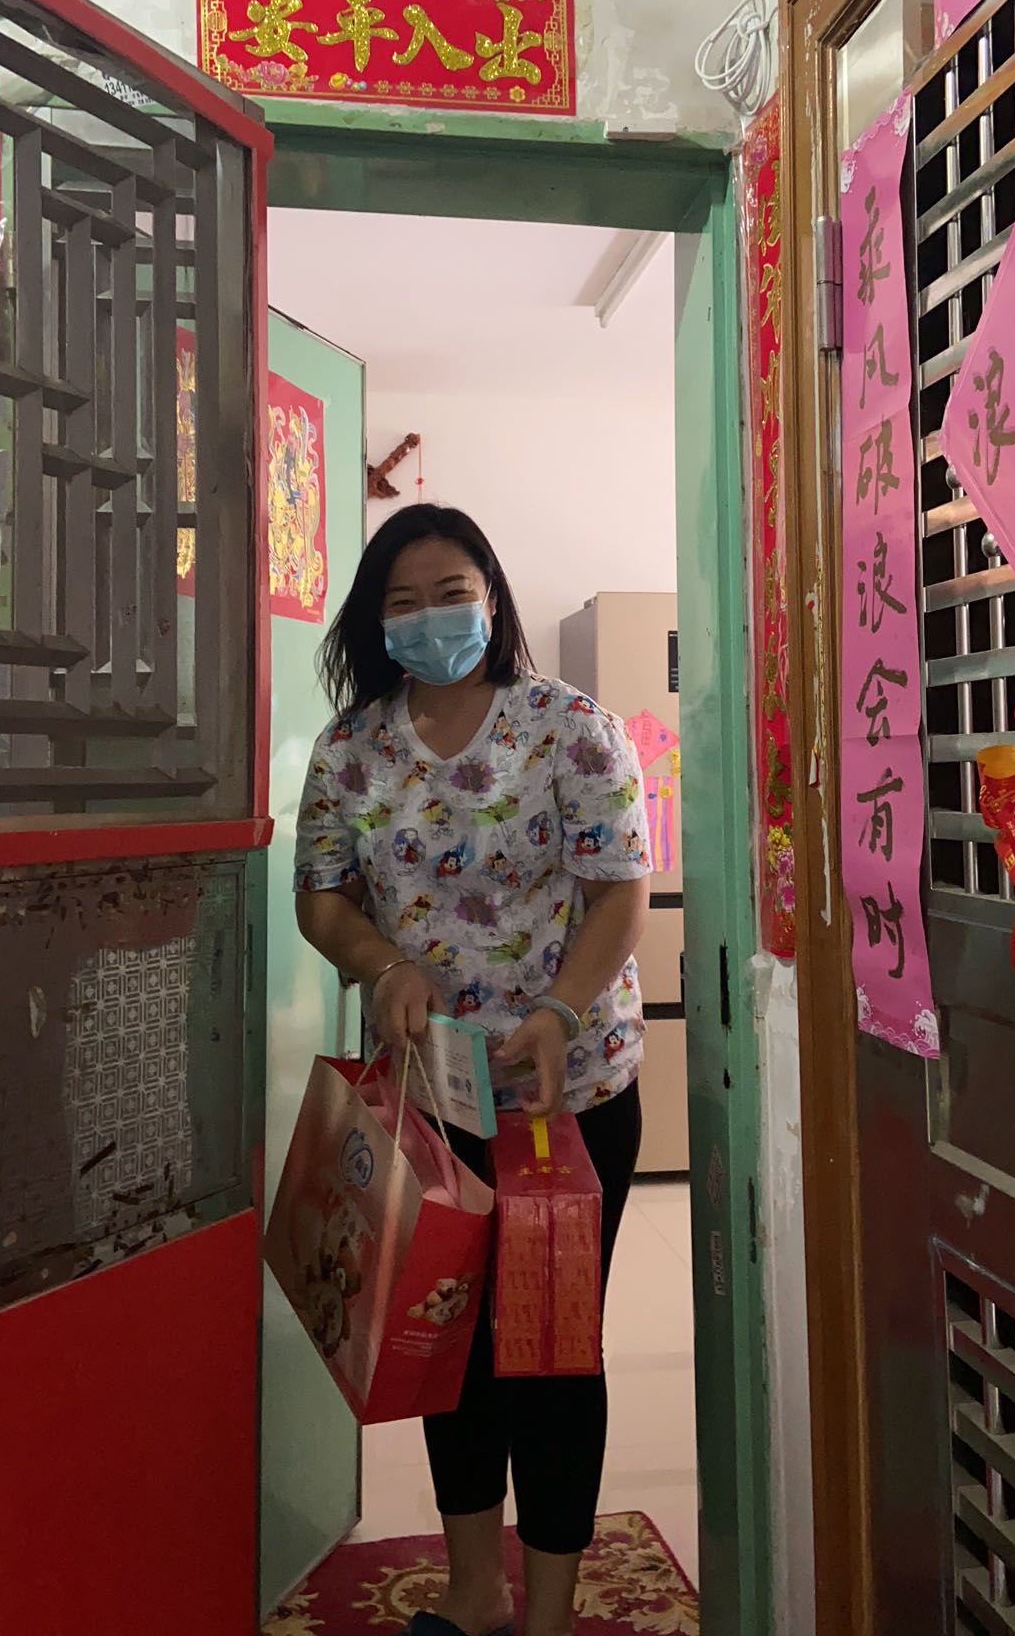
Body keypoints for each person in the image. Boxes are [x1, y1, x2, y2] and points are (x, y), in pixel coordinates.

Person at [294, 504, 651, 1636]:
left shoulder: (571, 728)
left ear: (490, 598)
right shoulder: (350, 748)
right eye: (401, 602)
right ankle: (473, 1592)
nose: (429, 618)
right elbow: (322, 899)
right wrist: (382, 962)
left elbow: (621, 891)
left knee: (549, 1355)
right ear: (374, 623)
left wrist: (557, 1011)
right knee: (445, 1346)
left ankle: (548, 1613)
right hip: (430, 1104)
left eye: (450, 593)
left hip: (567, 1099)